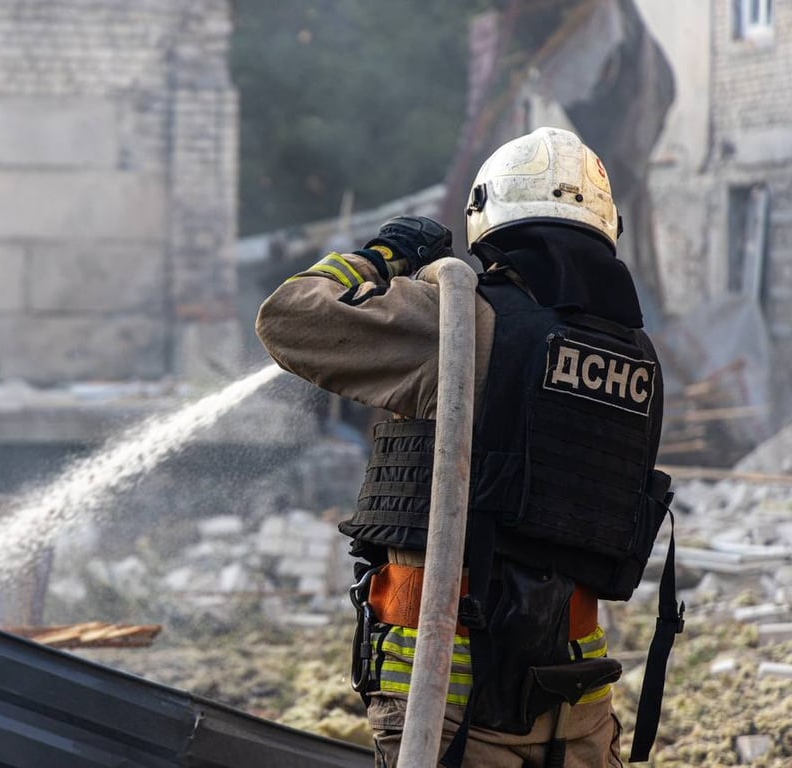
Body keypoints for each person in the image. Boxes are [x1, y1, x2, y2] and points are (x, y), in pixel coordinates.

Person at [256, 127, 679, 767]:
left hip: (450, 704)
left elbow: (290, 316)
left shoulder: (457, 319)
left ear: (490, 218)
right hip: (576, 701)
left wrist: (380, 256)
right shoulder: (634, 358)